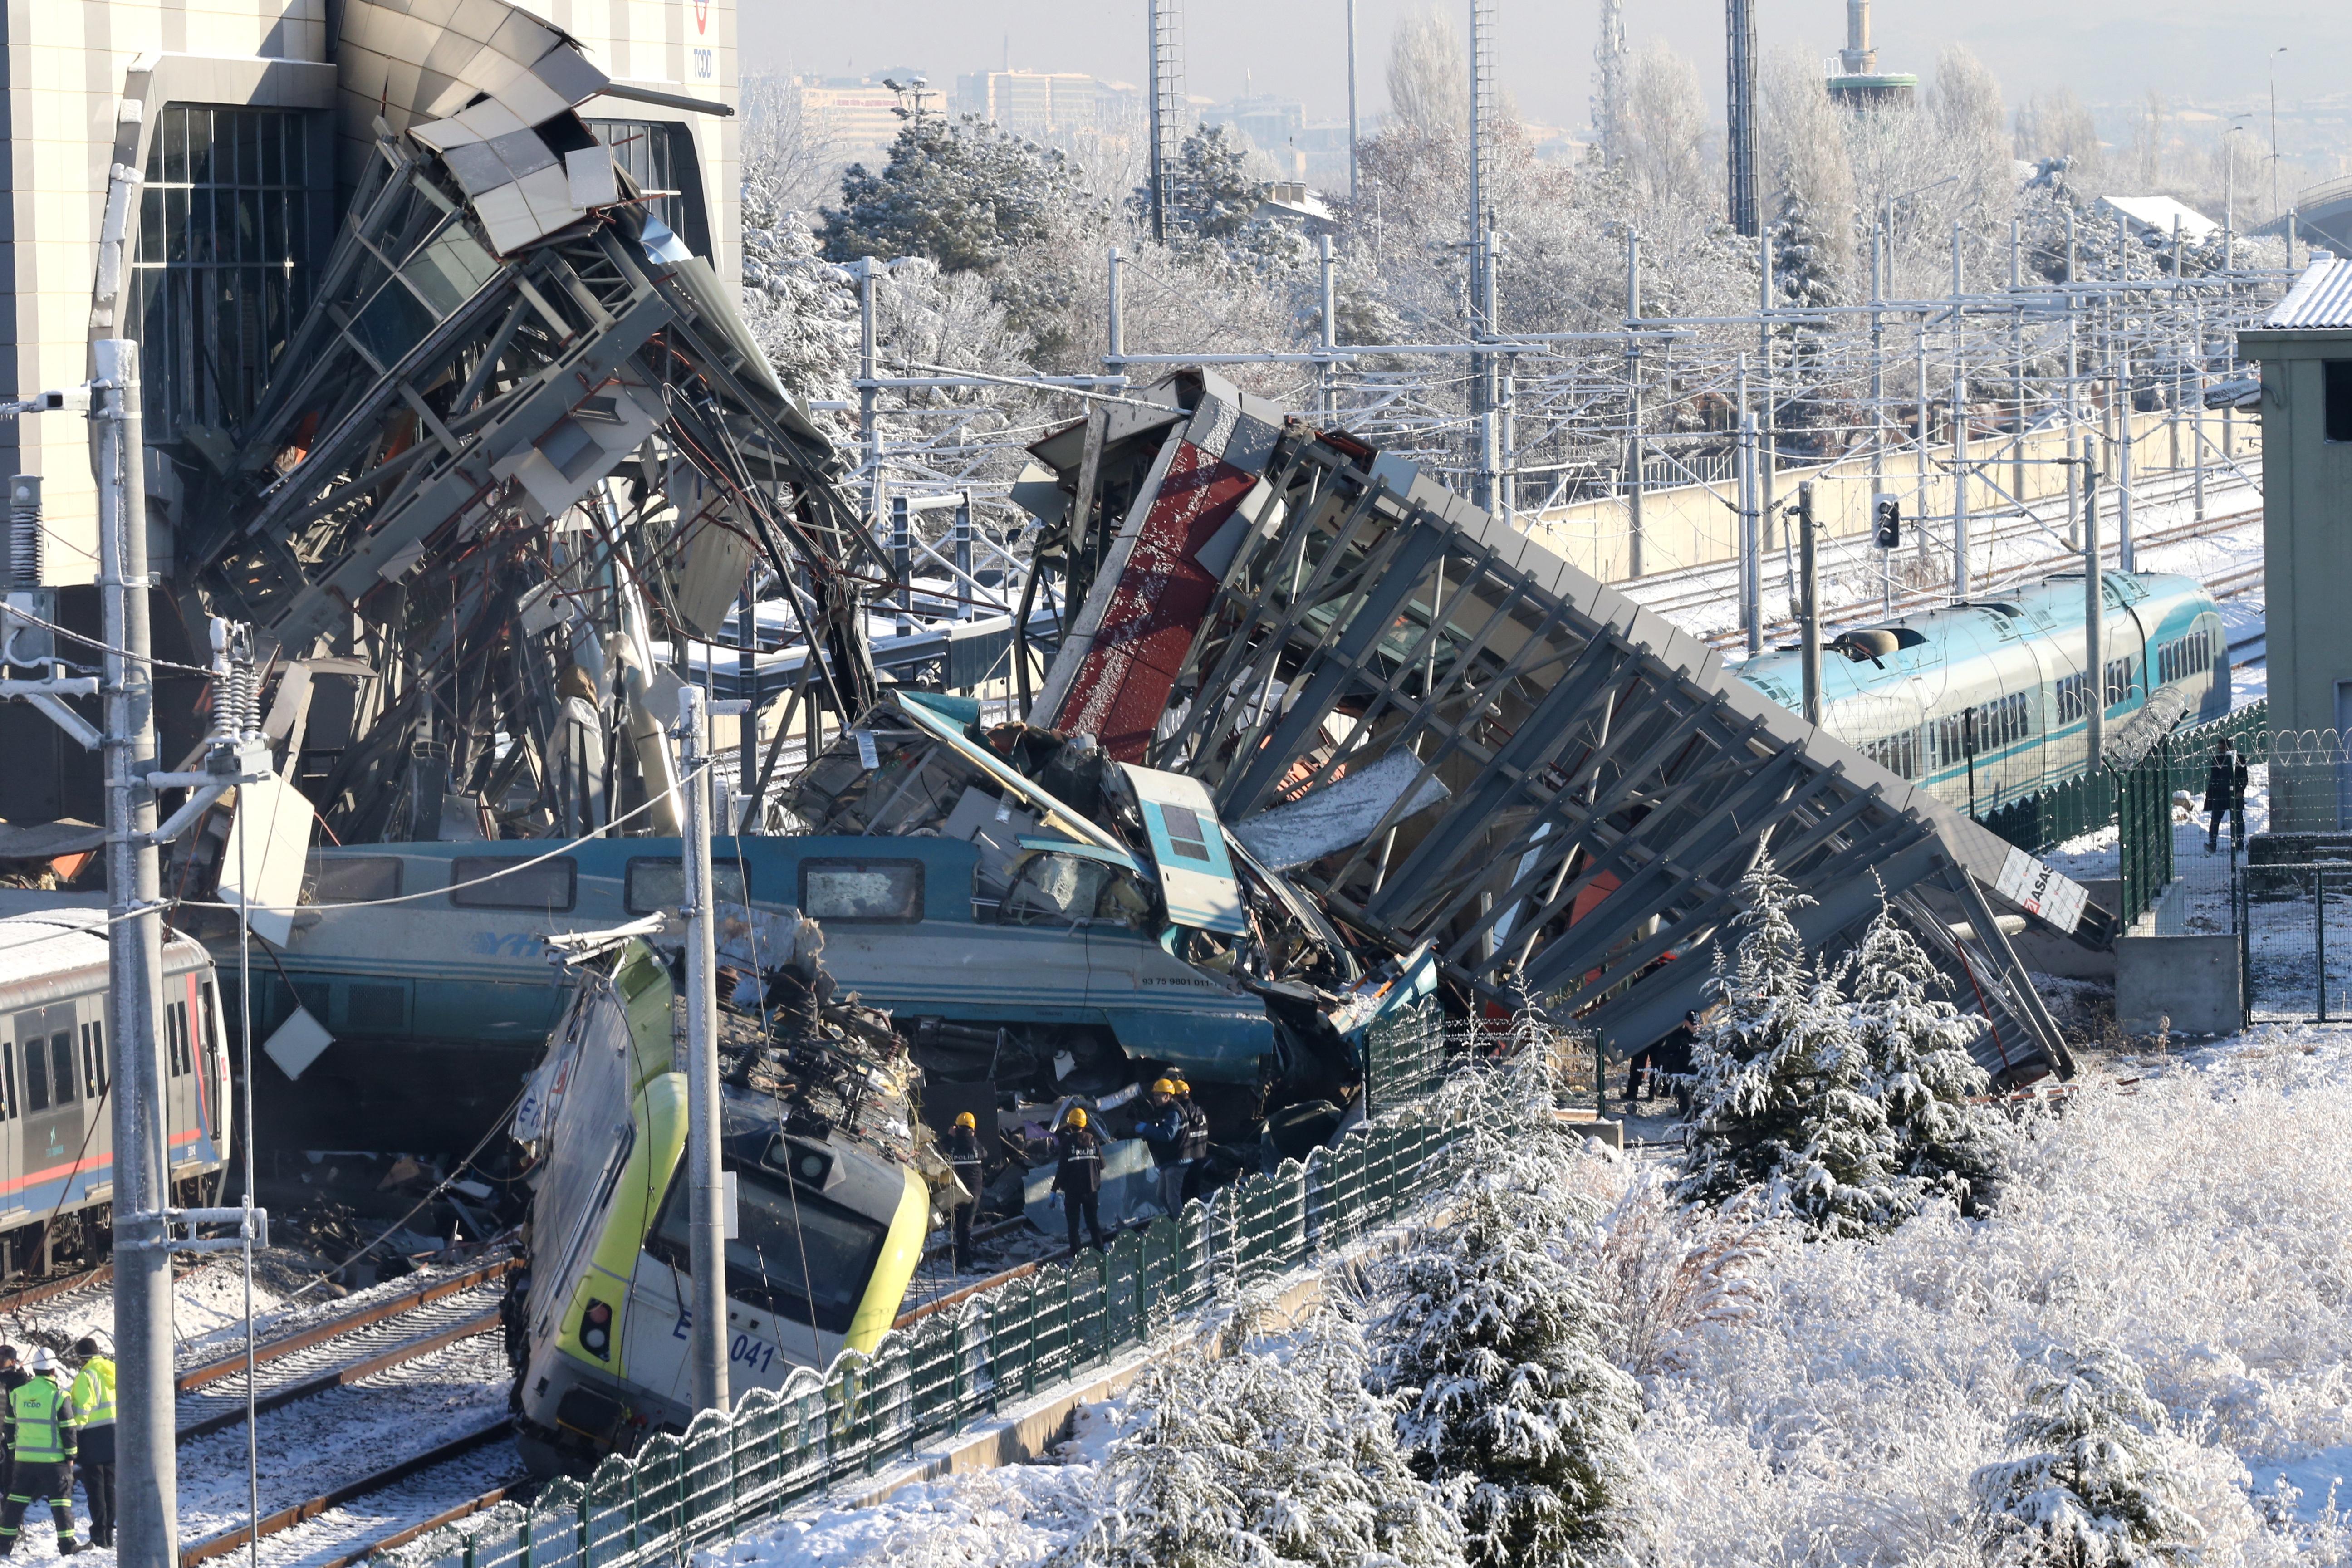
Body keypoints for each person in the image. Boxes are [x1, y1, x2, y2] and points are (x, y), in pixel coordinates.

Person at [0, 1348, 77, 1556]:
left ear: (34, 1369)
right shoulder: (60, 1396)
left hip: (25, 1461)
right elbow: (68, 1428)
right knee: (61, 1504)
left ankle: (4, 1546)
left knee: (15, 1504)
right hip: (54, 1461)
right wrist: (71, 1456)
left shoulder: (18, 1395)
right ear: (53, 1371)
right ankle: (68, 1547)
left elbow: (8, 1427)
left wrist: (16, 1452)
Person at [65, 1341, 111, 1550]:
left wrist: (75, 1434)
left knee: (96, 1489)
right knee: (111, 1485)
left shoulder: (87, 1376)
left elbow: (82, 1411)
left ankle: (100, 1536)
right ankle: (109, 1531)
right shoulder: (113, 1369)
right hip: (116, 1435)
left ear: (81, 1357)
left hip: (93, 1438)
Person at [1052, 1107, 1107, 1254]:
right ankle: (1100, 1253)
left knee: (1073, 1226)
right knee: (1093, 1223)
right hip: (1092, 1189)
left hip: (1073, 1192)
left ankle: (1076, 1256)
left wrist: (1054, 1189)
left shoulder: (1067, 1143)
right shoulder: (1093, 1141)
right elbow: (1102, 1165)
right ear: (1084, 1125)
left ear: (1069, 1125)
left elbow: (1062, 1169)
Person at [1132, 1080, 1187, 1216]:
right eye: (1155, 1095)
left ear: (1168, 1096)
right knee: (1161, 1195)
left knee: (1172, 1198)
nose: (1155, 1098)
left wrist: (1147, 1128)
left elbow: (1168, 1135)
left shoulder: (1174, 1112)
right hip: (1167, 1161)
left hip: (1177, 1160)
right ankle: (1176, 1220)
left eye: (1158, 1096)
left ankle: (1182, 1226)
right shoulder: (1165, 1111)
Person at [1625, 1011, 1701, 1107]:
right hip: (1682, 1077)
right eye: (1694, 1025)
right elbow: (1666, 1056)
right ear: (1686, 1023)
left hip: (1648, 1032)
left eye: (1699, 1025)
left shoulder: (1702, 1037)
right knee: (1647, 1063)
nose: (1697, 1027)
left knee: (1652, 1064)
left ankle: (1654, 1091)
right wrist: (1680, 1057)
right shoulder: (1679, 1037)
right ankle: (1651, 1091)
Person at [942, 1112, 987, 1272]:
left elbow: (939, 1150)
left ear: (957, 1127)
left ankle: (964, 1260)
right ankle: (963, 1263)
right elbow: (985, 1154)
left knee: (958, 1226)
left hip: (956, 1192)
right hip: (974, 1192)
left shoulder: (952, 1145)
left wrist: (949, 1136)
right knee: (967, 1227)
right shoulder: (977, 1145)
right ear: (973, 1129)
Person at [2205, 737, 2249, 853]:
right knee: (2215, 821)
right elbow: (2214, 778)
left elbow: (2244, 777)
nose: (2220, 751)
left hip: (2235, 794)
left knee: (2238, 820)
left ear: (2229, 748)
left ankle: (2239, 844)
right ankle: (2212, 844)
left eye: (2223, 748)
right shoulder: (2217, 759)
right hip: (2220, 794)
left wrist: (2241, 791)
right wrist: (2211, 795)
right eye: (2219, 748)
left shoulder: (2239, 759)